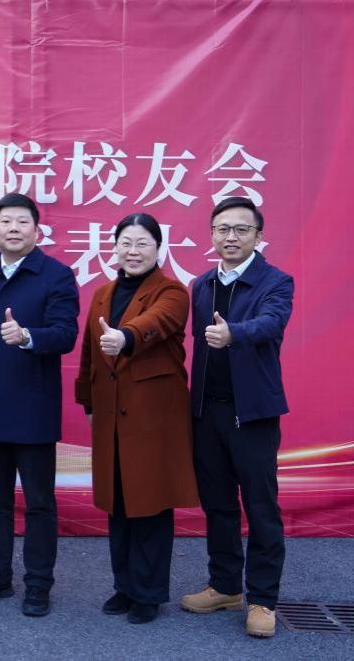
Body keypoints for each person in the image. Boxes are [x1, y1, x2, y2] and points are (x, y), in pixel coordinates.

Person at [74, 213, 199, 624]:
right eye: (125, 243)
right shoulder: (102, 294)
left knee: (150, 503)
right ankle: (124, 587)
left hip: (153, 417)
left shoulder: (173, 291)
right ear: (114, 248)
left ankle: (149, 593)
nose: (133, 251)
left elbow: (156, 322)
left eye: (142, 243)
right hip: (111, 414)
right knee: (119, 503)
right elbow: (90, 353)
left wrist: (125, 336)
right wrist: (88, 403)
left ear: (158, 248)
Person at [0, 192, 79, 617]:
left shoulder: (56, 275)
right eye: (6, 221)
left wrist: (28, 336)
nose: (14, 228)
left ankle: (38, 583)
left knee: (39, 502)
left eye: (22, 221)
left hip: (33, 409)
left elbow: (66, 334)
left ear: (37, 230)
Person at [180, 196, 293, 639]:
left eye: (241, 229)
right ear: (212, 235)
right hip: (207, 412)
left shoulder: (275, 281)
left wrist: (234, 334)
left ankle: (263, 599)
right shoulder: (202, 285)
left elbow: (272, 323)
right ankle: (225, 586)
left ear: (258, 236)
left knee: (261, 507)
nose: (231, 237)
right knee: (218, 504)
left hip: (254, 414)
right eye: (223, 229)